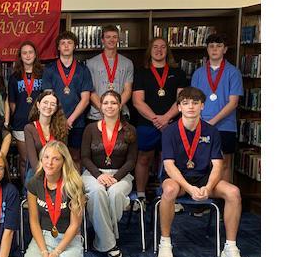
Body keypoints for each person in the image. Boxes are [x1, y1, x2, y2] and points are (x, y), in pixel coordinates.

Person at [157, 87, 247, 257]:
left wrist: (208, 187)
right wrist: (189, 188)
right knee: (169, 190)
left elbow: (218, 165)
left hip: (204, 178)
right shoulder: (170, 132)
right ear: (179, 107)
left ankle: (230, 248)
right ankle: (165, 243)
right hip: (178, 180)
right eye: (186, 103)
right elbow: (169, 166)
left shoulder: (212, 131)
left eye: (195, 103)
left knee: (233, 192)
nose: (191, 106)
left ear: (202, 106)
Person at [14, 140, 86, 257]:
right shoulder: (34, 183)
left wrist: (56, 253)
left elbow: (75, 225)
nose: (49, 162)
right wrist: (44, 251)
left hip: (68, 242)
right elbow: (33, 220)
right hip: (43, 239)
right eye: (46, 157)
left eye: (55, 159)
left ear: (63, 162)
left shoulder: (75, 185)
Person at [80, 90, 137, 257]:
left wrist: (115, 178)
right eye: (106, 103)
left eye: (113, 103)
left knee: (115, 193)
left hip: (121, 175)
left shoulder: (130, 129)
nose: (109, 106)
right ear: (100, 106)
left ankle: (102, 239)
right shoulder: (90, 129)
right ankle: (110, 242)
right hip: (92, 174)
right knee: (97, 192)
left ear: (120, 106)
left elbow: (132, 160)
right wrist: (99, 175)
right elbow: (84, 157)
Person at [132, 37, 186, 209]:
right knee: (143, 158)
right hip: (147, 123)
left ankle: (171, 197)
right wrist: (156, 119)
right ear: (150, 50)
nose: (159, 50)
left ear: (167, 51)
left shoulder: (178, 72)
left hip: (172, 123)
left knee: (170, 160)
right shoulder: (141, 72)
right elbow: (137, 101)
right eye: (155, 47)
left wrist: (166, 118)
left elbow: (182, 99)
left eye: (163, 47)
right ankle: (141, 197)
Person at [190, 33, 243, 183]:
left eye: (219, 46)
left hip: (225, 126)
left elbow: (233, 103)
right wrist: (201, 122)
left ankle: (224, 200)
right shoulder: (198, 73)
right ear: (207, 49)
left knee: (224, 163)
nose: (215, 49)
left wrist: (211, 122)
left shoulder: (233, 72)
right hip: (200, 126)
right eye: (211, 46)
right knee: (202, 163)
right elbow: (193, 101)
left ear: (225, 50)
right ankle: (203, 200)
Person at [42, 31, 94, 167]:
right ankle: (60, 187)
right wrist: (60, 120)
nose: (66, 46)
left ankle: (75, 188)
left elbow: (86, 99)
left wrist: (70, 120)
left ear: (74, 46)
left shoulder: (83, 70)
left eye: (69, 43)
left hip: (77, 122)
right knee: (56, 156)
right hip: (55, 120)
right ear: (58, 47)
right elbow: (48, 98)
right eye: (63, 43)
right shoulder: (49, 69)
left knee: (76, 156)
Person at [7, 41, 45, 182]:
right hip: (20, 124)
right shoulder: (14, 77)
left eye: (30, 52)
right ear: (20, 56)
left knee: (40, 159)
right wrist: (20, 114)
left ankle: (40, 190)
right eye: (24, 53)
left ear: (35, 55)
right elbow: (12, 103)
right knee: (25, 160)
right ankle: (25, 191)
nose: (27, 55)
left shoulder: (42, 74)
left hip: (40, 123)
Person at [86, 25, 134, 124]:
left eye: (114, 37)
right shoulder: (90, 63)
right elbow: (90, 90)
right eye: (108, 37)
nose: (111, 40)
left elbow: (127, 90)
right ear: (102, 40)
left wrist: (116, 108)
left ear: (118, 39)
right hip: (97, 115)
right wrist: (103, 108)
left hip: (121, 114)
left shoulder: (127, 63)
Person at [24, 90, 69, 183]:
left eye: (53, 104)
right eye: (45, 102)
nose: (48, 106)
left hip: (57, 169)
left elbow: (64, 155)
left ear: (56, 108)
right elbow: (33, 159)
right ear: (38, 105)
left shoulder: (61, 127)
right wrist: (46, 177)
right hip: (37, 170)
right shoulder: (29, 128)